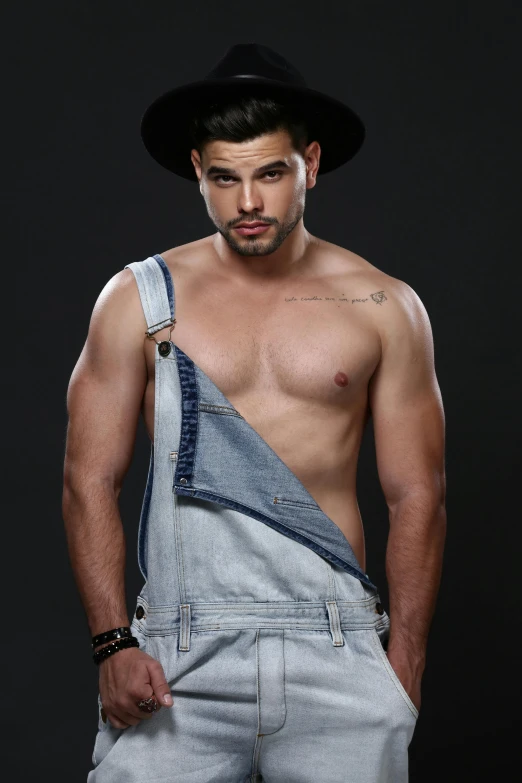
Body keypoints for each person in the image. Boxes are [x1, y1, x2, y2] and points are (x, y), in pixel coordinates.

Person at [62, 43, 446, 783]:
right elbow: (87, 478)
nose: (248, 203)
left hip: (334, 648)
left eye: (271, 174)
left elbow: (418, 492)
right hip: (178, 653)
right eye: (224, 178)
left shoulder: (382, 305)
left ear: (311, 163)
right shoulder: (137, 299)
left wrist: (403, 667)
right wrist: (113, 645)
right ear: (199, 171)